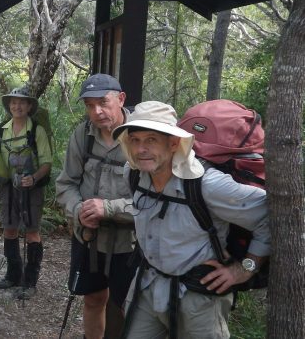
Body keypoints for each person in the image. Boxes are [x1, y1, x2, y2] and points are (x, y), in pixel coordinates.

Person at [112, 101, 270, 338]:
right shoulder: (134, 174)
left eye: (151, 140)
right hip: (147, 284)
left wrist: (245, 269)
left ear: (174, 143)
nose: (141, 149)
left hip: (199, 298)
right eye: (135, 140)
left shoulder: (208, 185)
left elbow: (270, 216)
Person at [55, 73, 135, 339]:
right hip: (89, 239)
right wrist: (79, 210)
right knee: (92, 298)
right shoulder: (83, 136)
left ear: (121, 99)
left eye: (103, 102)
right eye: (89, 105)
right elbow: (66, 183)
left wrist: (109, 209)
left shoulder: (142, 136)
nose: (97, 111)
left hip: (130, 244)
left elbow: (154, 201)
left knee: (127, 306)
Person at [0, 85, 52, 300]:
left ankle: (29, 282)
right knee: (9, 229)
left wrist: (34, 178)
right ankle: (13, 275)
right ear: (9, 106)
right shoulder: (2, 129)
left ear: (29, 106)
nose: (17, 106)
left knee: (32, 231)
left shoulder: (37, 130)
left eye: (22, 102)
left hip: (31, 188)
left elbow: (47, 162)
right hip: (7, 187)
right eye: (13, 102)